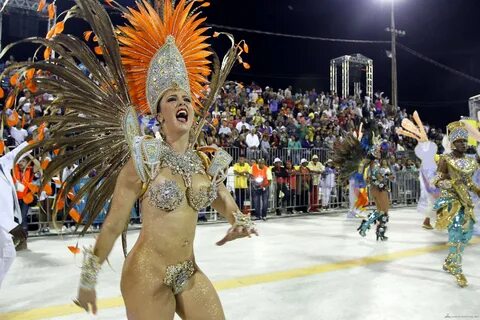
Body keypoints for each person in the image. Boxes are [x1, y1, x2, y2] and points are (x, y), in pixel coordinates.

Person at [5, 0, 257, 318]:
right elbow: (112, 227)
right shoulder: (143, 161)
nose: (182, 103)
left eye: (186, 99)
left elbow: (219, 196)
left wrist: (237, 219)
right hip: (146, 275)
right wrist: (88, 280)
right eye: (172, 99)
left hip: (188, 271)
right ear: (159, 113)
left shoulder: (204, 162)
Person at [432, 121, 480, 288]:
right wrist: (449, 184)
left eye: (465, 141)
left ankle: (450, 260)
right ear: (452, 143)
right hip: (451, 200)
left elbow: (467, 182)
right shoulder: (445, 159)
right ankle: (457, 268)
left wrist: (477, 190)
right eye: (460, 141)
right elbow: (437, 179)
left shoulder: (468, 161)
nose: (464, 144)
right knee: (456, 233)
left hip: (465, 200)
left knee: (468, 232)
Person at [396, 111, 439, 229]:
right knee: (435, 195)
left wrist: (403, 131)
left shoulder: (420, 140)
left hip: (427, 168)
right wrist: (417, 118)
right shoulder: (423, 139)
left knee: (434, 195)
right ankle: (430, 220)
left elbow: (414, 134)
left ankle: (430, 220)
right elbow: (418, 131)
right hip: (429, 169)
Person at [0, 141, 33, 286]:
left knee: (8, 254)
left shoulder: (2, 164)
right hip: (3, 222)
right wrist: (10, 225)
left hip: (3, 224)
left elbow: (17, 153)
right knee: (8, 253)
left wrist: (35, 140)